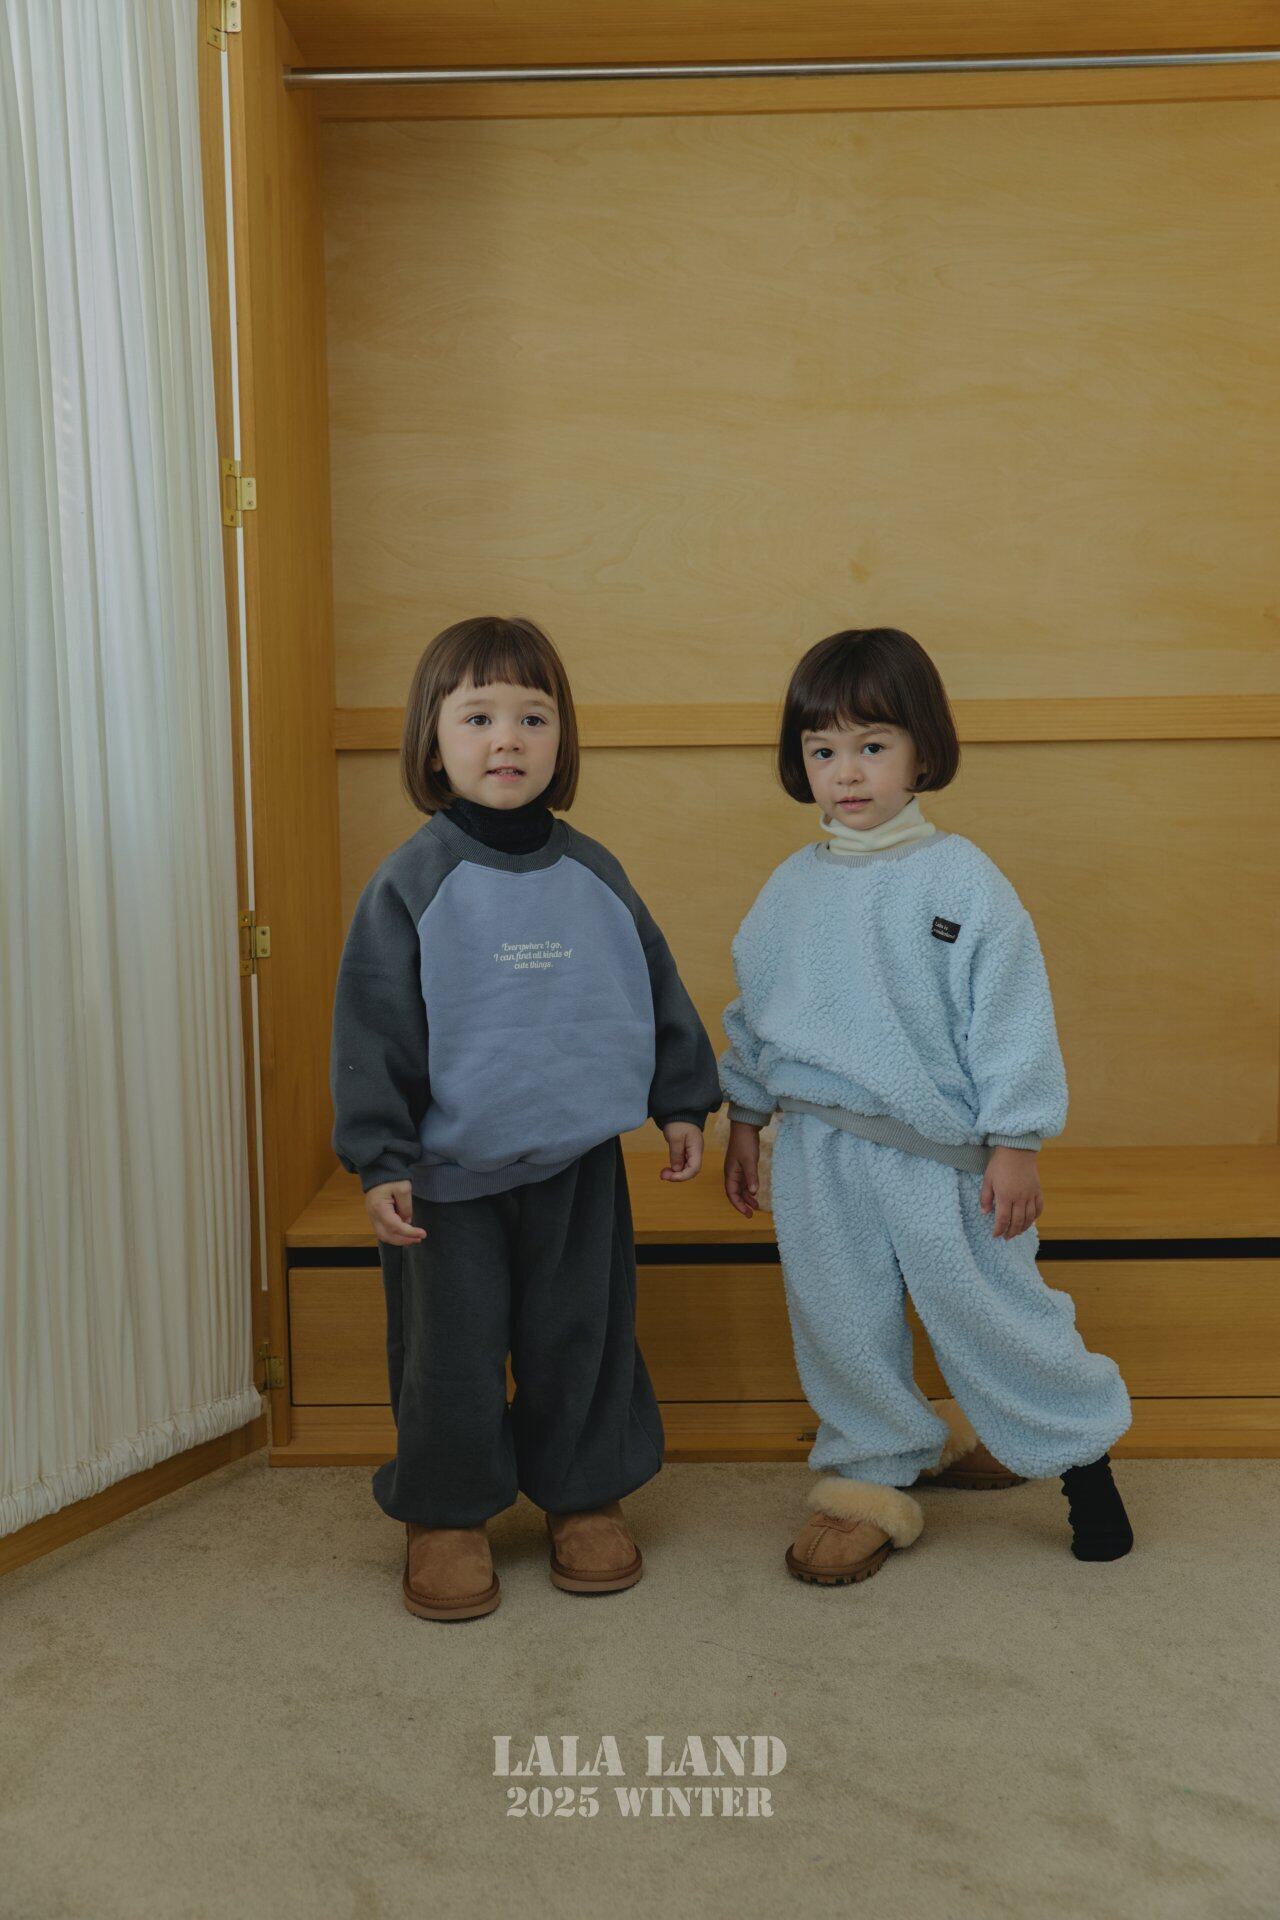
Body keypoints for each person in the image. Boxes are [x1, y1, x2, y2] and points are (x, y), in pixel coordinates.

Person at [719, 626, 1135, 1585]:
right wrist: (742, 1117)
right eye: (822, 750)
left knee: (1000, 1316)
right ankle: (870, 1474)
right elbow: (756, 1011)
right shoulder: (789, 890)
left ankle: (1082, 1460)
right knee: (840, 1320)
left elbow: (1011, 1016)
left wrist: (1016, 1139)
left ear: (920, 751)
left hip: (945, 1160)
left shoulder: (963, 880)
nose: (846, 772)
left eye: (872, 745)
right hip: (817, 1150)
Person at [330, 615, 721, 1621]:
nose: (507, 738)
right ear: (433, 742)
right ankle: (446, 1513)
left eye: (532, 717)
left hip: (577, 1165)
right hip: (445, 1180)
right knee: (449, 1359)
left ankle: (584, 1495)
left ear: (561, 739)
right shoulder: (411, 882)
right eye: (478, 717)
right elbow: (372, 1028)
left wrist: (681, 1101)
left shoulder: (595, 873)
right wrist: (380, 1159)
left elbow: (652, 988)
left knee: (580, 1339)